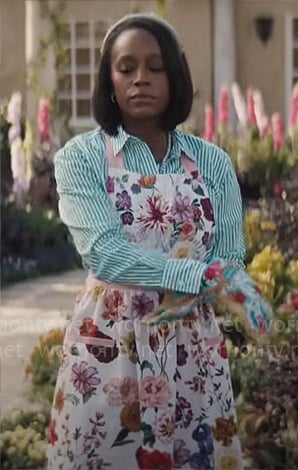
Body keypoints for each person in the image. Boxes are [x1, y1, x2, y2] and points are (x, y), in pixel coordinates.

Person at [47, 13, 246, 470]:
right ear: (109, 80)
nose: (141, 79)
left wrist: (219, 279)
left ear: (175, 76)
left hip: (192, 346)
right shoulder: (80, 158)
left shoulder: (212, 162)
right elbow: (105, 254)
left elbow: (231, 259)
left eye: (155, 67)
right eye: (126, 68)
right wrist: (196, 274)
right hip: (109, 346)